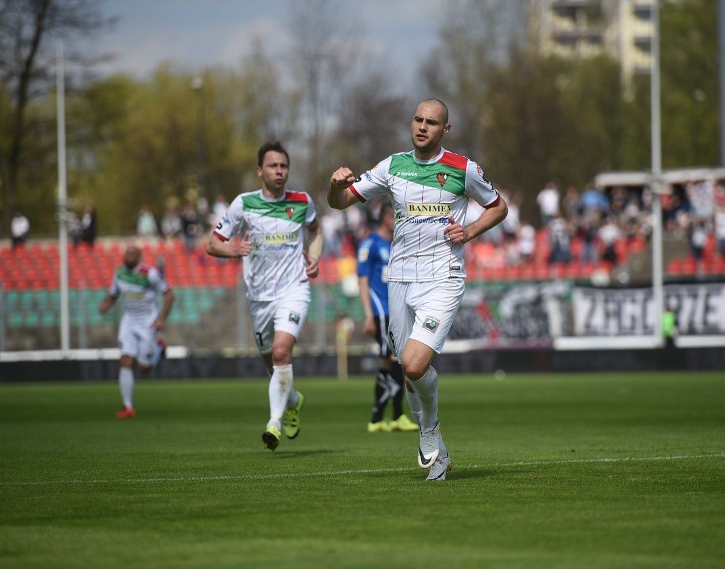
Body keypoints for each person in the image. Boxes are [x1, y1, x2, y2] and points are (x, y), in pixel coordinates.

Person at [328, 98, 508, 481]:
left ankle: (429, 430)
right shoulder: (391, 166)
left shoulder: (464, 168)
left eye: (432, 122)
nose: (422, 126)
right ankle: (439, 457)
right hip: (400, 280)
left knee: (413, 363)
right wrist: (334, 187)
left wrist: (470, 231)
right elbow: (341, 202)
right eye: (417, 119)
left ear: (446, 129)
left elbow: (498, 207)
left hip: (443, 276)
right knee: (408, 372)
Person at [207, 141, 323, 452]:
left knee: (281, 352)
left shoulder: (302, 201)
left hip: (294, 289)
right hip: (259, 296)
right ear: (260, 170)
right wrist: (232, 251)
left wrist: (314, 255)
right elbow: (212, 243)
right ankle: (294, 400)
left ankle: (274, 423)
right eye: (273, 166)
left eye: (284, 166)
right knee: (272, 364)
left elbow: (316, 230)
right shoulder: (243, 204)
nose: (279, 171)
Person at [356, 202, 419, 434]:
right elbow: (362, 280)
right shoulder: (371, 244)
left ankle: (378, 417)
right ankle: (396, 415)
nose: (397, 219)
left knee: (389, 360)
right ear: (385, 217)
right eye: (394, 215)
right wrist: (368, 315)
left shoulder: (400, 244)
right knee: (396, 358)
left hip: (397, 309)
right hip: (381, 310)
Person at [98, 245, 175, 419]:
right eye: (127, 253)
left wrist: (161, 319)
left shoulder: (150, 274)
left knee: (143, 368)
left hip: (148, 323)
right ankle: (128, 407)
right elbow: (113, 294)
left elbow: (169, 294)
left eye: (133, 254)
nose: (129, 256)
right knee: (125, 360)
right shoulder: (119, 274)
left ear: (139, 257)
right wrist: (105, 305)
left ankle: (158, 348)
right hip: (129, 321)